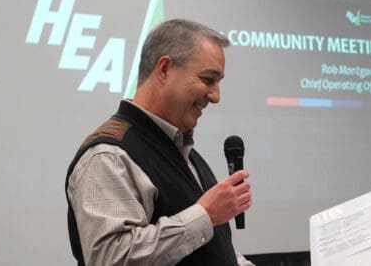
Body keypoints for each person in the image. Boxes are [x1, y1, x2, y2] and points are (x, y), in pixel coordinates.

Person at [66, 19, 254, 265]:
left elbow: (210, 253)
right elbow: (112, 258)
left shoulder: (185, 154)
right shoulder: (109, 155)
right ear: (164, 69)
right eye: (208, 79)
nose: (216, 96)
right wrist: (205, 215)